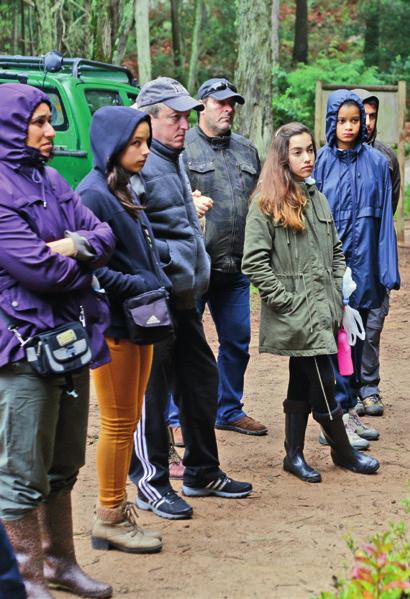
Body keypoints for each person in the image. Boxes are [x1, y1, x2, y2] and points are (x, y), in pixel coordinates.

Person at [0, 83, 115, 598]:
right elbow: (39, 271)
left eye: (50, 120)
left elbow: (104, 235)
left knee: (63, 464)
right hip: (22, 351)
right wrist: (79, 264)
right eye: (40, 121)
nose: (51, 131)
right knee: (21, 471)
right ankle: (24, 580)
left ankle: (59, 563)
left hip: (69, 341)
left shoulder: (50, 179)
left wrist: (73, 245)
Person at [129, 77, 252, 522]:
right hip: (154, 301)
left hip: (184, 300)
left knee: (201, 385)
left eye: (186, 115)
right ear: (148, 119)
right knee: (152, 394)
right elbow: (132, 233)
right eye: (174, 117)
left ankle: (202, 471)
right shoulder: (139, 164)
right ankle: (152, 483)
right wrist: (168, 259)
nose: (184, 124)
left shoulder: (172, 158)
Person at [242, 122, 379, 481]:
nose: (307, 158)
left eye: (310, 150)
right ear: (282, 158)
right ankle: (343, 451)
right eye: (298, 152)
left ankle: (293, 455)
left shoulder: (317, 197)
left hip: (324, 308)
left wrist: (336, 290)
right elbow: (253, 262)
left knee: (301, 381)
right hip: (295, 313)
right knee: (323, 382)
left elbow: (335, 249)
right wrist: (285, 301)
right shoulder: (265, 203)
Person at [77, 106, 171, 554]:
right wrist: (142, 282)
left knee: (131, 418)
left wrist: (158, 270)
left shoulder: (126, 187)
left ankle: (117, 509)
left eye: (147, 141)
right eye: (135, 143)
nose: (145, 150)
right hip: (113, 323)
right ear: (111, 144)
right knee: (117, 423)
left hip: (141, 319)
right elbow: (90, 270)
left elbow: (136, 252)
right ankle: (109, 515)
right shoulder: (92, 194)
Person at [181, 77, 267, 437]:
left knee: (236, 340)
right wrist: (191, 204)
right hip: (195, 265)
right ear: (202, 106)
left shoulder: (247, 151)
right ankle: (175, 418)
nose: (228, 108)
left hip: (236, 266)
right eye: (220, 103)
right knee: (185, 344)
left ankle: (227, 408)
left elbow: (261, 203)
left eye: (232, 103)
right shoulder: (182, 148)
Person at [313, 90, 399, 447]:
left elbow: (385, 222)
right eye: (343, 121)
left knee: (357, 341)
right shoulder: (319, 162)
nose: (349, 127)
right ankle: (331, 417)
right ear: (332, 122)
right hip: (330, 266)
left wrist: (387, 270)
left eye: (355, 120)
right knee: (332, 342)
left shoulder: (378, 163)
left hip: (365, 263)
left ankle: (348, 410)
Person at [352, 88, 401, 418]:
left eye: (372, 116)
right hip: (344, 257)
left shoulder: (385, 159)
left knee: (373, 325)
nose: (367, 123)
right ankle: (348, 388)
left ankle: (369, 387)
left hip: (376, 252)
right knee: (345, 328)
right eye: (361, 116)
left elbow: (391, 206)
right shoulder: (326, 158)